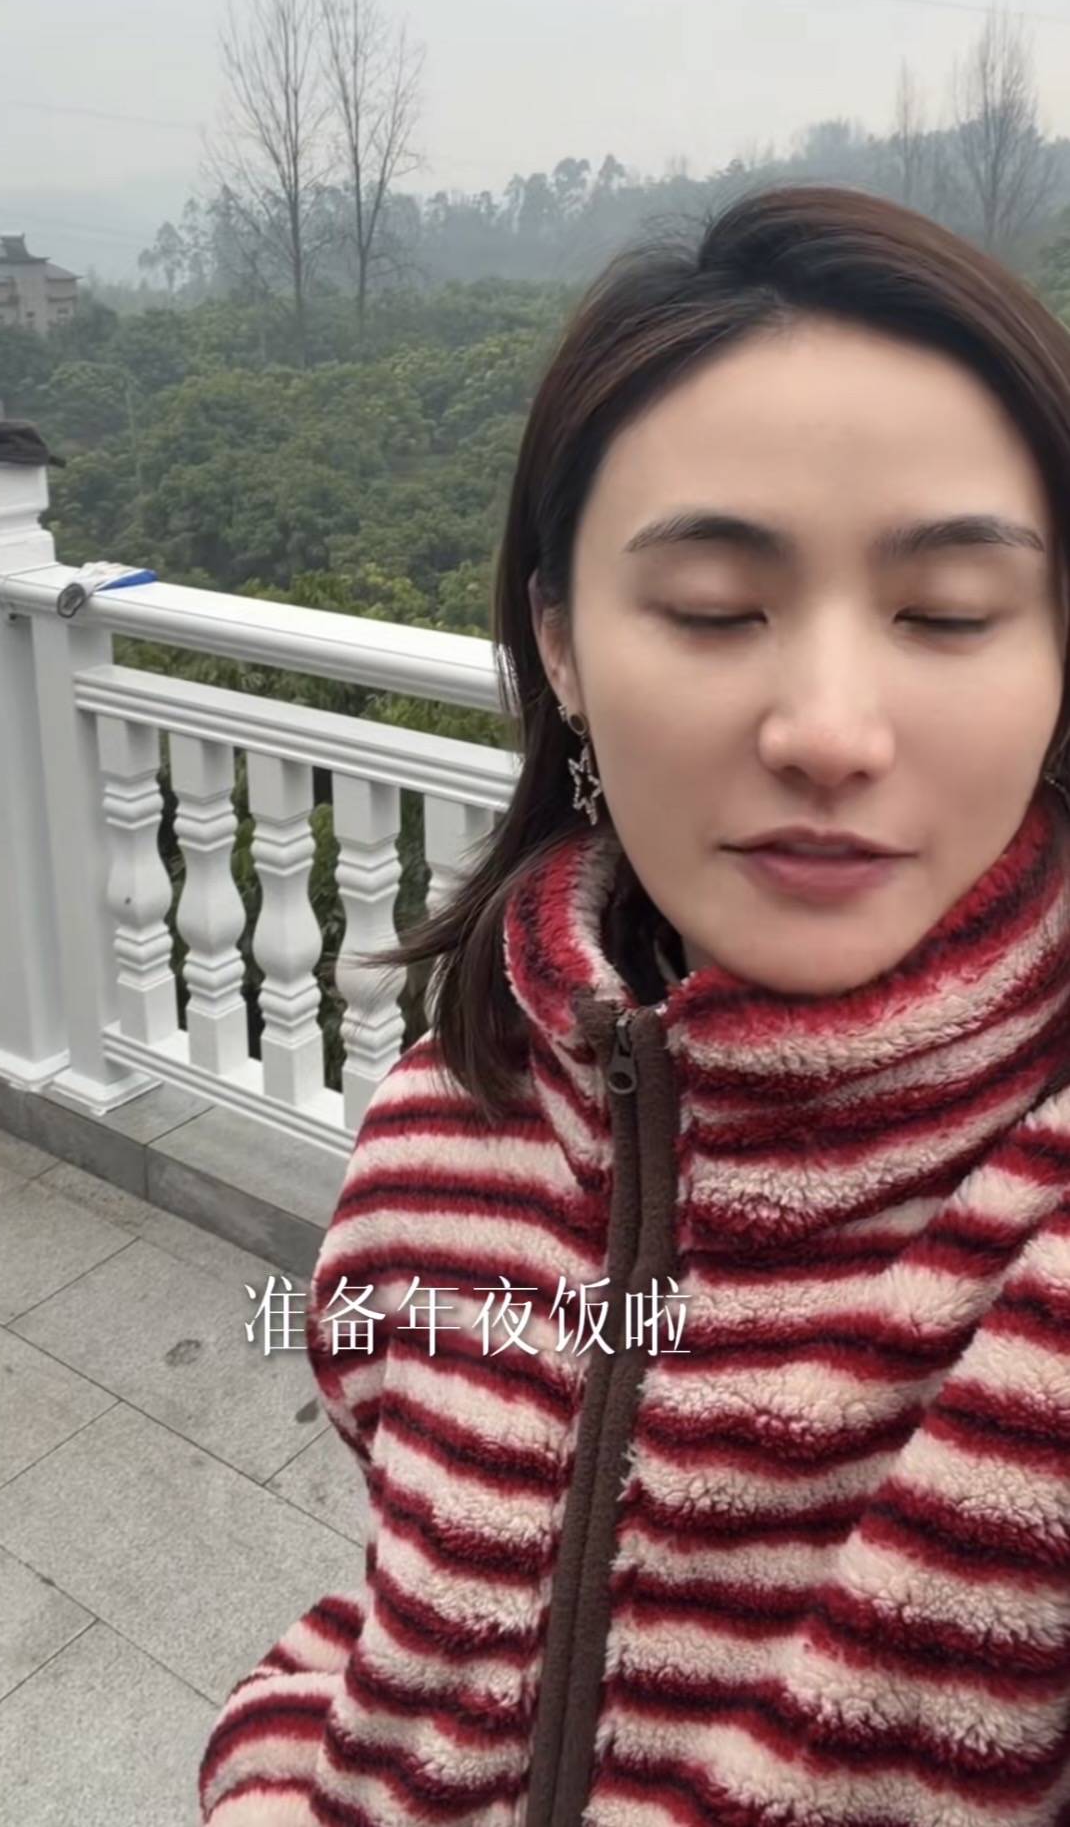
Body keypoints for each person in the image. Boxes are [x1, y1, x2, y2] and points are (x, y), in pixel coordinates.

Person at [198, 184, 1070, 1826]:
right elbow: (410, 1613)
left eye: (947, 612)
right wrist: (270, 1765)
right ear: (561, 643)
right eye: (714, 607)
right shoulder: (440, 1128)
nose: (829, 730)